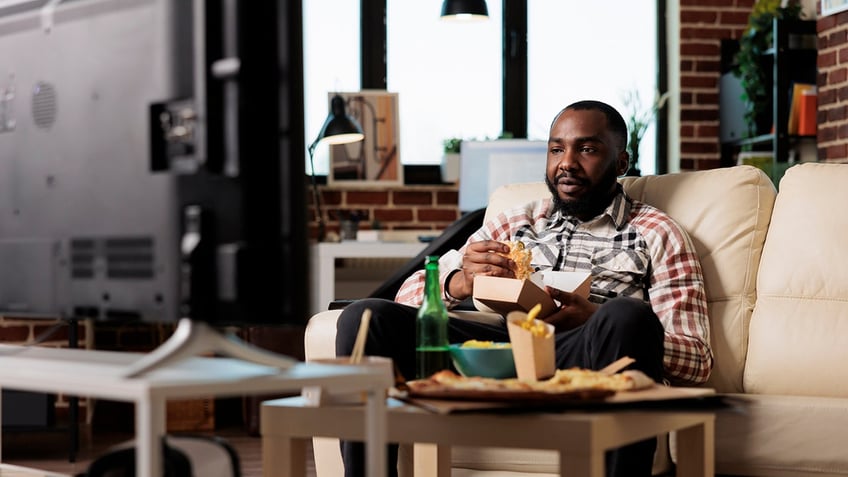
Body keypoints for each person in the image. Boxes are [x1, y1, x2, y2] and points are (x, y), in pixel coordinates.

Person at [336, 99, 713, 477]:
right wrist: (459, 282)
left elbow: (697, 360)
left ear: (620, 163)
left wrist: (597, 318)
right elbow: (409, 293)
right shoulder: (517, 220)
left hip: (586, 356)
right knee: (366, 317)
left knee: (627, 316)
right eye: (556, 149)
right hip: (500, 353)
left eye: (587, 149)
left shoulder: (655, 232)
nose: (567, 162)